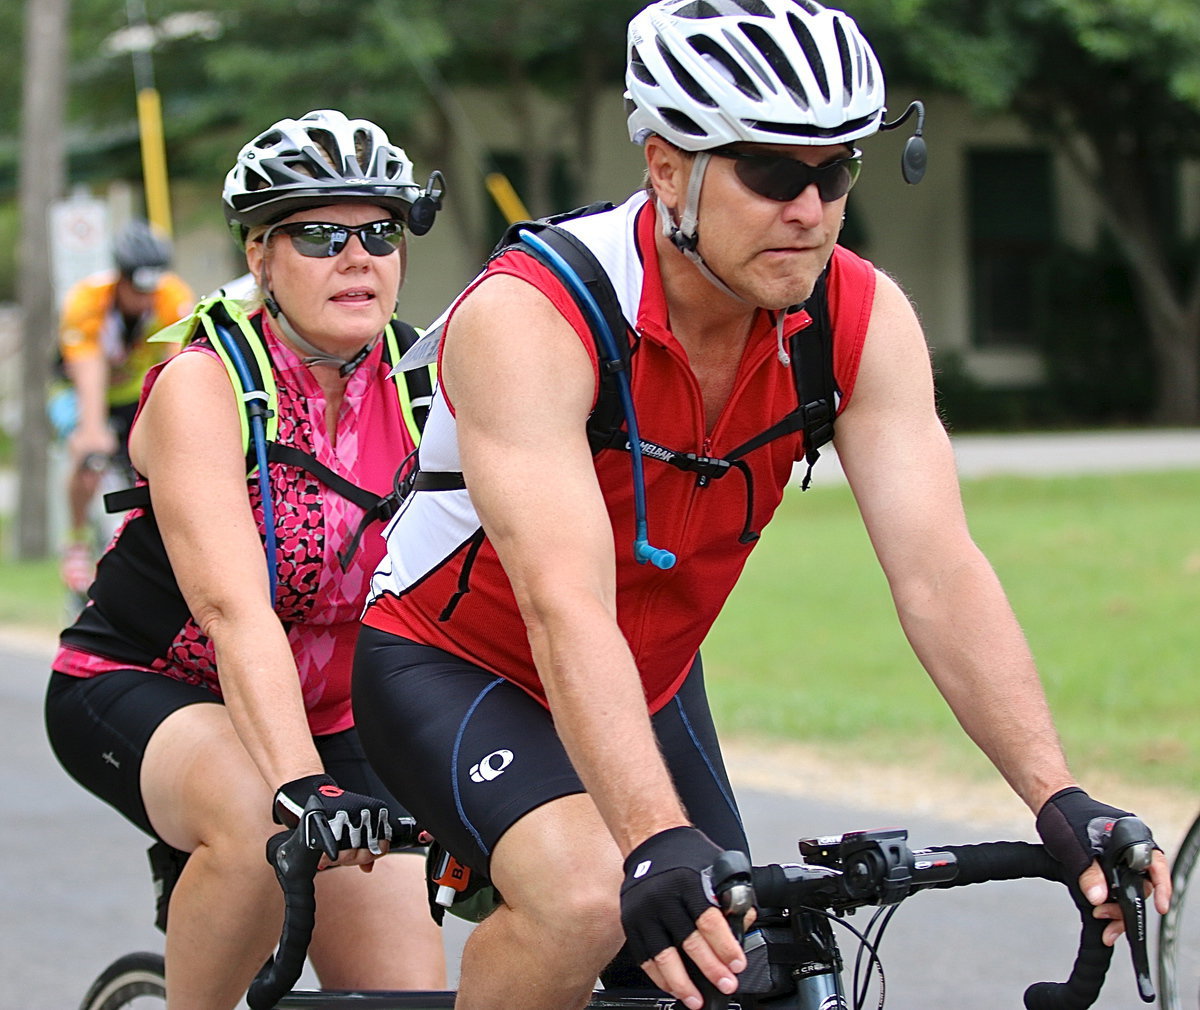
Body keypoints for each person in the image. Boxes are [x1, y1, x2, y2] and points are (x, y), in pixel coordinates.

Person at [354, 4, 1171, 1010]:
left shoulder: (858, 318)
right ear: (666, 169)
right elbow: (563, 601)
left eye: (837, 173)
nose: (810, 210)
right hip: (454, 663)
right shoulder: (535, 315)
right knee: (586, 901)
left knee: (750, 963)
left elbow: (938, 571)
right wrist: (652, 836)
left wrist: (1057, 794)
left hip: (645, 677)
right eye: (773, 173)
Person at [45, 110, 447, 1010]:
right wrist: (301, 786)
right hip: (153, 683)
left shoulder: (429, 381)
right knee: (261, 820)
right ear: (260, 255)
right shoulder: (206, 382)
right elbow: (234, 611)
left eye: (381, 232)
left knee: (402, 995)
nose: (358, 258)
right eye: (320, 235)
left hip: (335, 711)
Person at [55, 219, 194, 594]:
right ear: (120, 277)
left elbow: (178, 364)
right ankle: (76, 542)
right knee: (87, 455)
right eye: (136, 289)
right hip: (79, 389)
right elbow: (88, 371)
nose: (145, 299)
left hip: (133, 390)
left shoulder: (172, 295)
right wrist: (92, 429)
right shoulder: (87, 301)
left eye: (151, 290)